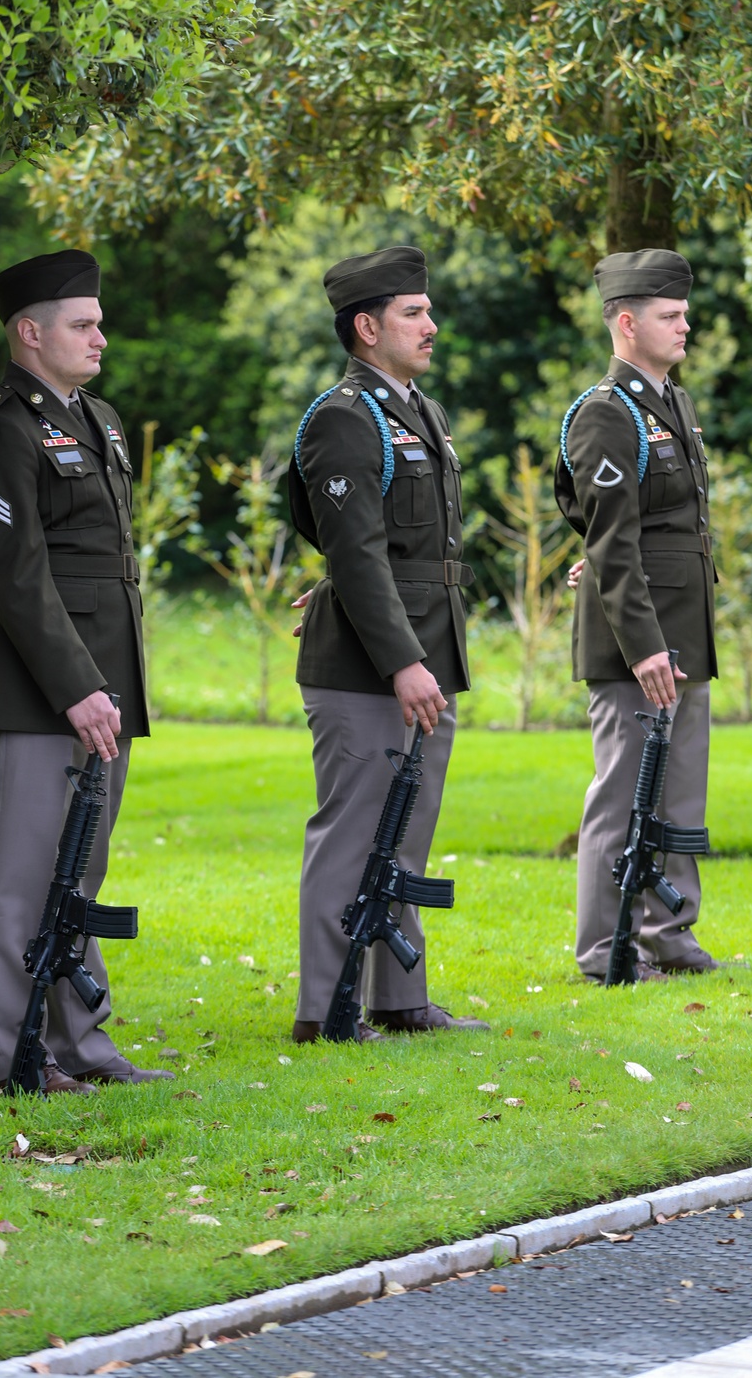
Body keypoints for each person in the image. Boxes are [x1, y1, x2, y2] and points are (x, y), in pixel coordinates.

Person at [0, 250, 174, 1092]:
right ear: (30, 333)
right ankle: (16, 1058)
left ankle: (82, 1044)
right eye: (83, 324)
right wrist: (77, 684)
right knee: (22, 877)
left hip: (102, 686)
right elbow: (16, 572)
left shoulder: (99, 421)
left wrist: (106, 685)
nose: (100, 337)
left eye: (99, 321)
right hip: (41, 690)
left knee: (81, 869)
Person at [287, 244, 487, 1042]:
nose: (431, 325)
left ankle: (401, 1000)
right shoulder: (344, 415)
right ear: (367, 327)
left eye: (427, 310)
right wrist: (401, 658)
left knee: (408, 828)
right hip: (370, 667)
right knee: (355, 834)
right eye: (414, 313)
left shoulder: (420, 410)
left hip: (422, 650)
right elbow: (355, 546)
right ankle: (324, 1012)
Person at [554, 248, 719, 983]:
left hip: (685, 626)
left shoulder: (673, 402)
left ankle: (668, 931)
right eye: (671, 315)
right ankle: (602, 949)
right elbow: (607, 534)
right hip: (635, 639)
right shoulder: (605, 412)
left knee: (680, 791)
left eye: (685, 313)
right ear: (627, 321)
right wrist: (645, 645)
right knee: (621, 796)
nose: (687, 325)